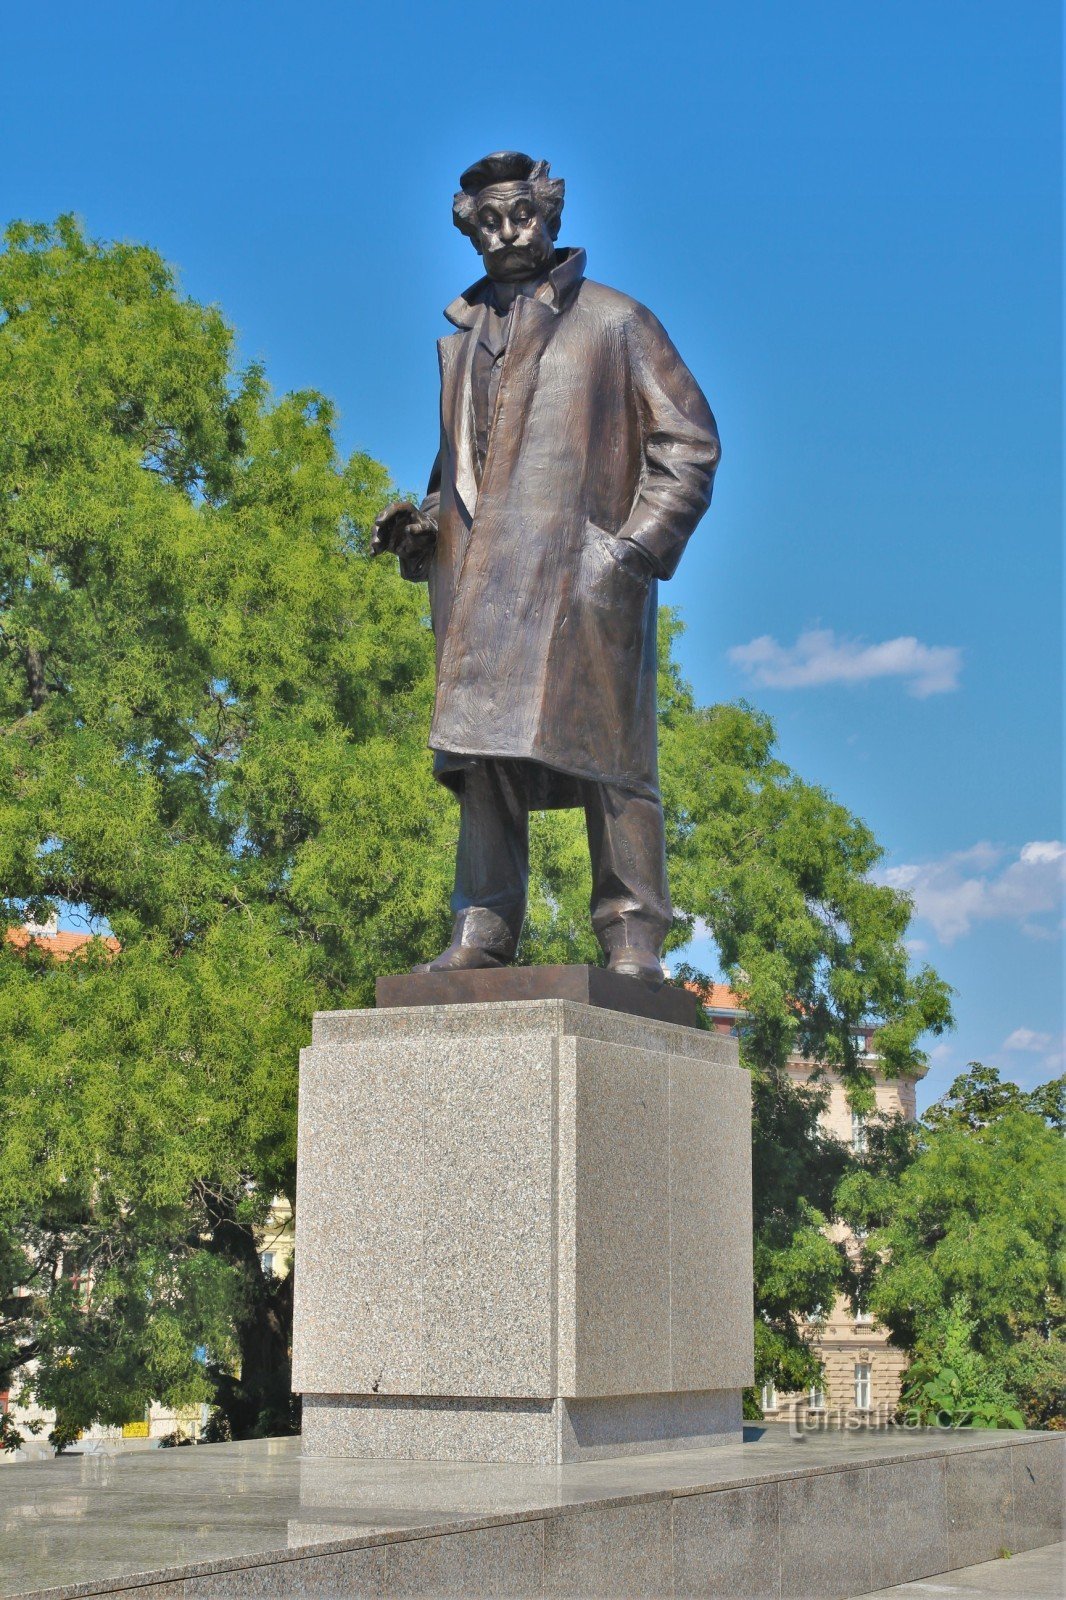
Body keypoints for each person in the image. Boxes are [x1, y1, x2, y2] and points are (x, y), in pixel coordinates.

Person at [372, 152, 720, 986]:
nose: (508, 234)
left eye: (522, 215)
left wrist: (633, 551)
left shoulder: (616, 321)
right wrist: (419, 527)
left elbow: (690, 444)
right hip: (480, 584)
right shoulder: (460, 346)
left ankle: (633, 934)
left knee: (610, 758)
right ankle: (483, 924)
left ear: (552, 217)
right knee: (482, 759)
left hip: (581, 576)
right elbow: (460, 471)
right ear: (470, 227)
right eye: (490, 221)